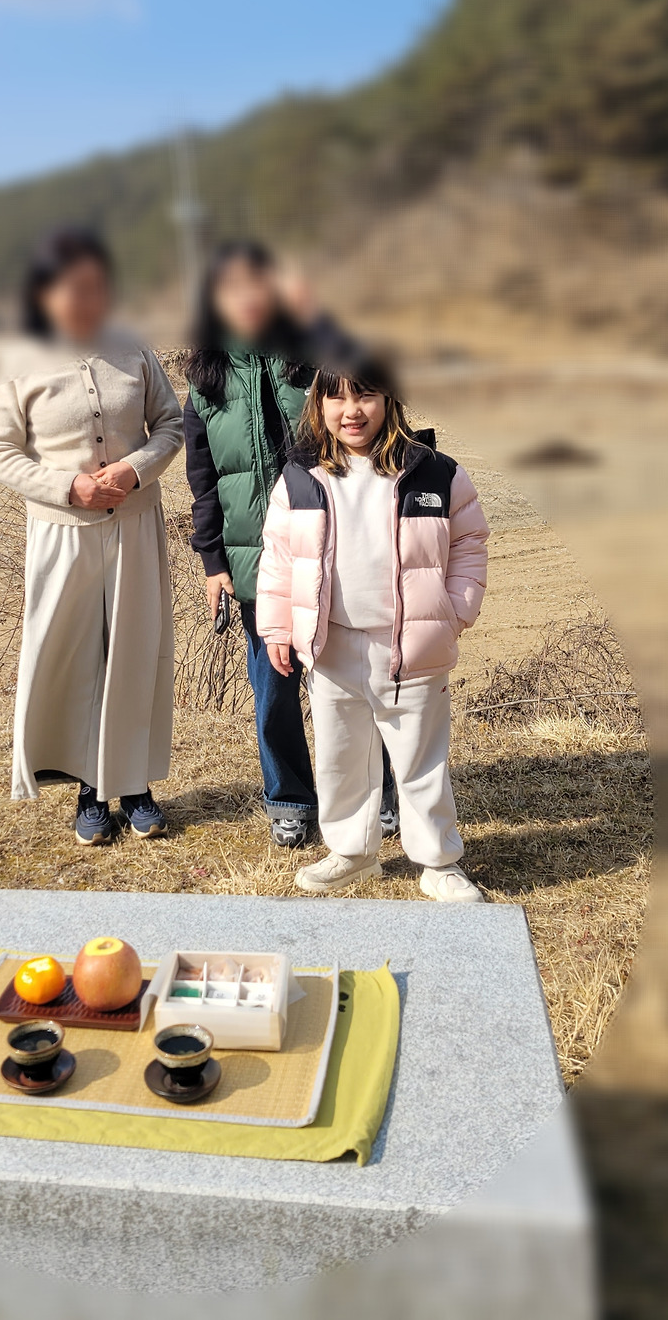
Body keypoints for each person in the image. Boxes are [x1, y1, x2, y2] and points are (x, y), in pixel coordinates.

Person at [182, 242, 397, 849]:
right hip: (257, 559)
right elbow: (203, 480)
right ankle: (290, 798)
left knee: (353, 682)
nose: (247, 299)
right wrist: (214, 562)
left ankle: (376, 792)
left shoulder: (314, 356)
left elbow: (365, 412)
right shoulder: (206, 379)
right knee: (273, 691)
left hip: (334, 548)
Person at [255, 362, 490, 900]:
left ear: (389, 400)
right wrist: (278, 628)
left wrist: (454, 611)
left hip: (410, 646)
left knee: (419, 758)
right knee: (341, 755)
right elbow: (279, 556)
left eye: (365, 395)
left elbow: (470, 543)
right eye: (337, 398)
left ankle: (438, 862)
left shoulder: (435, 473)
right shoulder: (300, 476)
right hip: (332, 644)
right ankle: (352, 853)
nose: (351, 411)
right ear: (318, 404)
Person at [0, 227, 184, 846]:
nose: (86, 299)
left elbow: (171, 424)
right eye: (72, 287)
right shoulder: (18, 361)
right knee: (74, 660)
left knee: (134, 653)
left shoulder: (134, 349)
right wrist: (69, 486)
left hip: (136, 526)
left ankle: (136, 786)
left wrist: (134, 469)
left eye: (97, 285)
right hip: (60, 534)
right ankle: (91, 791)